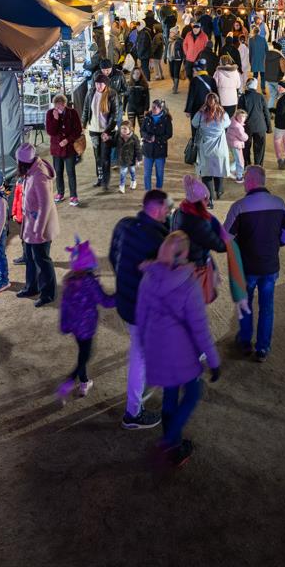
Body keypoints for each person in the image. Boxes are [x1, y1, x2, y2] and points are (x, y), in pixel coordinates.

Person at [135, 230, 222, 467]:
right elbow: (199, 328)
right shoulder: (188, 284)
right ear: (184, 254)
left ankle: (173, 445)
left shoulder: (148, 277)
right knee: (193, 393)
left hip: (157, 349)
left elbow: (141, 316)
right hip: (181, 354)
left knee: (170, 396)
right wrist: (213, 361)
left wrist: (145, 345)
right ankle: (169, 440)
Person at [110, 190, 170, 430]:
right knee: (139, 356)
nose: (168, 213)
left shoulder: (124, 225)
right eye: (166, 209)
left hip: (125, 302)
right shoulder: (160, 239)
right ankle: (133, 413)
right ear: (156, 210)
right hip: (143, 310)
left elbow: (113, 258)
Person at [224, 165, 285, 361]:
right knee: (267, 306)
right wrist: (278, 243)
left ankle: (245, 342)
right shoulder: (279, 203)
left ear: (250, 181)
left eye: (245, 178)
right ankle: (263, 347)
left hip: (246, 267)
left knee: (244, 304)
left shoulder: (238, 207)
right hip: (270, 265)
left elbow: (226, 236)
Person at [56, 238, 114, 403]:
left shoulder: (69, 280)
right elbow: (105, 301)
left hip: (74, 326)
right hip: (86, 327)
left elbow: (64, 305)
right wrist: (121, 296)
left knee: (82, 352)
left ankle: (84, 383)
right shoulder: (90, 282)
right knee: (86, 355)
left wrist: (65, 325)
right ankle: (69, 381)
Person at [15, 143, 58, 307]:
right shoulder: (31, 170)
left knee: (42, 259)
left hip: (40, 227)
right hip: (30, 225)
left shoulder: (39, 176)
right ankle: (31, 287)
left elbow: (45, 205)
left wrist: (38, 230)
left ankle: (48, 293)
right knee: (30, 257)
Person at [192, 97, 234, 202]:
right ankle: (219, 191)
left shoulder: (201, 114)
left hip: (205, 149)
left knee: (206, 174)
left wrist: (200, 111)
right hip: (219, 148)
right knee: (218, 170)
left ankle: (209, 199)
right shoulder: (223, 114)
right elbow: (228, 123)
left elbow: (194, 123)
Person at [45, 93, 84, 205]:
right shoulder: (50, 113)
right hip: (56, 150)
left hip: (69, 149)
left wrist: (68, 140)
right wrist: (55, 119)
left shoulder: (73, 113)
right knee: (58, 171)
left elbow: (77, 130)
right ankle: (60, 193)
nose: (58, 108)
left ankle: (73, 196)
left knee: (71, 172)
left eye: (60, 106)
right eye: (56, 106)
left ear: (65, 104)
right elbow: (50, 131)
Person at [87, 80, 116, 189]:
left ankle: (105, 181)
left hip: (106, 131)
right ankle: (99, 178)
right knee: (97, 157)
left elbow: (115, 114)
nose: (99, 86)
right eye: (97, 83)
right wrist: (84, 124)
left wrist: (107, 131)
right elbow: (86, 109)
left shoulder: (112, 94)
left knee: (105, 157)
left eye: (101, 83)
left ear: (106, 84)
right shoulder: (90, 92)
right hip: (94, 130)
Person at [238, 75, 270, 169]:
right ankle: (258, 166)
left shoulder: (243, 98)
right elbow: (266, 113)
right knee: (259, 148)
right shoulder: (260, 97)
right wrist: (269, 127)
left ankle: (247, 165)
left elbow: (239, 114)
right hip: (260, 126)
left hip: (247, 127)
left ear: (247, 86)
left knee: (246, 147)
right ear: (256, 86)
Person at [141, 99, 174, 190]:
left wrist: (157, 139)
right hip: (148, 149)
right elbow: (142, 130)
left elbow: (169, 134)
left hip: (160, 150)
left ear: (161, 108)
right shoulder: (147, 117)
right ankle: (148, 192)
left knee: (159, 173)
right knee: (147, 173)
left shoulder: (166, 119)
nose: (153, 108)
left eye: (156, 107)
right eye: (152, 106)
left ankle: (158, 190)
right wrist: (148, 137)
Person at [113, 115, 141, 195]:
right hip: (122, 159)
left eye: (125, 129)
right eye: (122, 128)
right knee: (123, 173)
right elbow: (113, 144)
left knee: (132, 171)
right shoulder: (118, 136)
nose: (123, 130)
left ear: (130, 129)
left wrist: (139, 159)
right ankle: (122, 186)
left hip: (131, 159)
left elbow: (138, 149)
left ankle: (133, 181)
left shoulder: (134, 138)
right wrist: (108, 139)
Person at [168, 26, 187, 94]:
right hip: (170, 58)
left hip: (178, 59)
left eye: (171, 32)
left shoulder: (180, 40)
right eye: (170, 32)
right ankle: (174, 84)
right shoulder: (169, 39)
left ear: (175, 33)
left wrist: (185, 59)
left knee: (176, 72)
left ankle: (175, 87)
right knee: (171, 73)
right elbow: (168, 49)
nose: (170, 34)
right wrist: (165, 56)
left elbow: (184, 50)